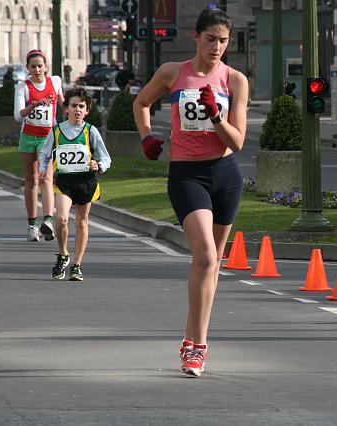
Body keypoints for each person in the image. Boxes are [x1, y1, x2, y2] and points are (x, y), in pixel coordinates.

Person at [133, 8, 248, 377]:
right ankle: (197, 349)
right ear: (196, 37)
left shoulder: (234, 80)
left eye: (224, 41)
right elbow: (141, 103)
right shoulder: (173, 72)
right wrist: (147, 135)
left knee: (213, 264)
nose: (217, 47)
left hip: (225, 173)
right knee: (204, 257)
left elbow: (239, 141)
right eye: (211, 39)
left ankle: (189, 338)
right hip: (186, 174)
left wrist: (217, 117)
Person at [38, 87, 111, 282]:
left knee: (81, 221)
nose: (77, 109)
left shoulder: (90, 131)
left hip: (86, 182)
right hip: (65, 182)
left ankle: (77, 265)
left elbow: (106, 158)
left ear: (87, 110)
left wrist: (99, 164)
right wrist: (43, 168)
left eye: (81, 106)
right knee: (61, 219)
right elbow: (45, 152)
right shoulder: (57, 130)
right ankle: (63, 254)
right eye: (73, 106)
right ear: (66, 109)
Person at [13, 50, 64, 242]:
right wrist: (33, 105)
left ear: (46, 67)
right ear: (27, 68)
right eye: (33, 66)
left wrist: (70, 106)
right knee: (31, 180)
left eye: (40, 66)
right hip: (28, 136)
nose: (37, 70)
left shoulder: (55, 81)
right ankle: (32, 225)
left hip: (47, 137)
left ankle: (49, 221)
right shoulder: (23, 87)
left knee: (47, 179)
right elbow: (18, 116)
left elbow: (62, 103)